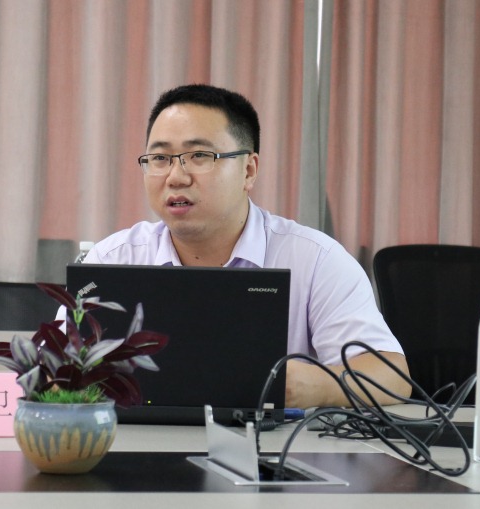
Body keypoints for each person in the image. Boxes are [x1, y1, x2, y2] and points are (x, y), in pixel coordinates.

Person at [78, 84, 410, 408]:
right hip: (134, 443)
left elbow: (392, 376)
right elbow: (59, 370)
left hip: (270, 445)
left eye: (199, 156)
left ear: (248, 170)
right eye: (160, 158)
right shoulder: (112, 259)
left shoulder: (315, 259)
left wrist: (318, 386)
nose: (176, 177)